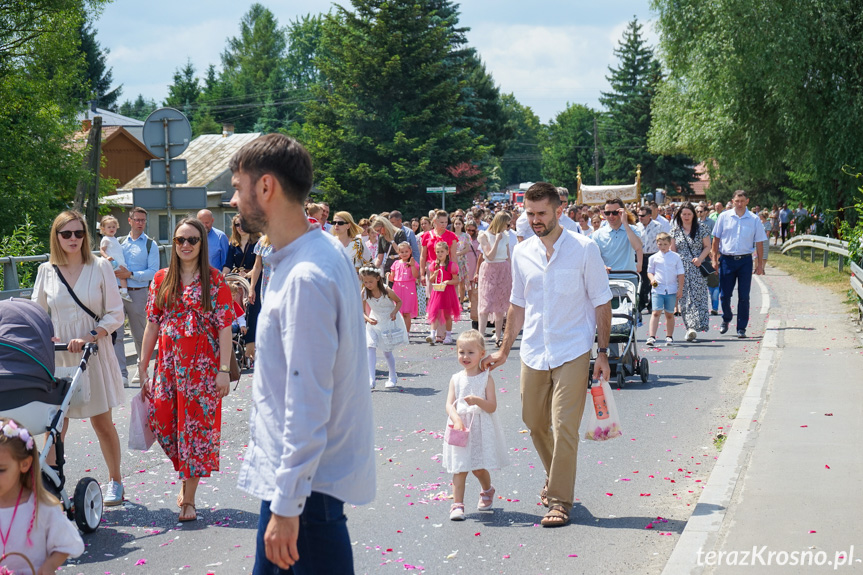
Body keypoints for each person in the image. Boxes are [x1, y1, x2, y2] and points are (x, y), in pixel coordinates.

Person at [229, 133, 375, 574]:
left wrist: (287, 505)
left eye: (238, 188)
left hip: (301, 496)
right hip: (303, 490)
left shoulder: (306, 276)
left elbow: (307, 398)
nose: (234, 201)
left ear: (266, 187)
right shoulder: (317, 252)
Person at [481, 182, 612, 528]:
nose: (535, 220)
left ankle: (559, 500)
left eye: (541, 213)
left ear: (559, 211)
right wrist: (504, 348)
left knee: (564, 425)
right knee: (534, 422)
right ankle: (558, 479)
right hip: (534, 349)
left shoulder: (584, 249)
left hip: (573, 348)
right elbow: (517, 306)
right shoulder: (522, 253)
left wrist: (602, 352)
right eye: (530, 214)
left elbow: (602, 301)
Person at [139, 217, 233, 522]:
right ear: (174, 244)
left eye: (193, 240)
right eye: (181, 240)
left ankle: (188, 499)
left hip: (203, 368)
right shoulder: (161, 279)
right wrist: (142, 368)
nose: (186, 245)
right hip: (167, 366)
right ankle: (186, 475)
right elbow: (152, 324)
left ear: (202, 244)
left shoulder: (214, 280)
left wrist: (223, 370)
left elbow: (225, 329)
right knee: (163, 422)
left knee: (194, 431)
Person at [31, 211, 126, 506]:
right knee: (56, 424)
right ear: (56, 237)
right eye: (67, 234)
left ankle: (115, 480)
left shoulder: (99, 267)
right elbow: (37, 313)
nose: (73, 239)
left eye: (79, 233)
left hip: (91, 352)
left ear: (86, 236)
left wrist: (90, 335)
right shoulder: (46, 270)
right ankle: (49, 482)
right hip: (59, 356)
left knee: (102, 422)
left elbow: (116, 312)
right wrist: (46, 337)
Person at [0, 418, 84, 573]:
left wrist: (49, 565)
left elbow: (69, 542)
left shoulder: (41, 506)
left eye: (1, 470)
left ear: (24, 464)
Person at [442, 331, 507, 521]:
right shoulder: (456, 378)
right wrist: (456, 419)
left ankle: (487, 490)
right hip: (459, 426)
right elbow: (449, 404)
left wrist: (478, 401)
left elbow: (492, 406)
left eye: (470, 352)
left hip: (479, 425)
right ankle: (457, 505)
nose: (465, 357)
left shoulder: (486, 378)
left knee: (478, 468)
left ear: (482, 354)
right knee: (460, 468)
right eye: (461, 352)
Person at [112, 207, 159, 387]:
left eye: (143, 220)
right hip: (117, 292)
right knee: (117, 333)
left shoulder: (150, 245)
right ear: (130, 221)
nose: (140, 223)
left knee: (140, 334)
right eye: (137, 220)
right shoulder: (119, 242)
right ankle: (120, 373)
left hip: (139, 293)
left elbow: (153, 272)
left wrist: (130, 274)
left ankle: (142, 369)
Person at [711, 190, 767, 339]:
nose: (740, 204)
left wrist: (760, 264)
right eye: (737, 201)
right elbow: (716, 239)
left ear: (747, 201)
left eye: (742, 201)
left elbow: (760, 242)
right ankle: (727, 317)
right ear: (733, 201)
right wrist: (714, 259)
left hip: (745, 261)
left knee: (744, 296)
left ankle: (741, 327)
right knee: (724, 294)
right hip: (727, 260)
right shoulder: (724, 217)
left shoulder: (754, 219)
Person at [671, 203, 712, 342]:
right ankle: (690, 327)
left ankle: (695, 325)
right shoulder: (675, 230)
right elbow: (673, 251)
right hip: (681, 268)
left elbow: (707, 246)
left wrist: (700, 258)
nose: (686, 217)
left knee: (697, 297)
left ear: (694, 215)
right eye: (684, 214)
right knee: (684, 297)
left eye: (689, 214)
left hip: (697, 267)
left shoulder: (702, 228)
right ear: (679, 215)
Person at [224, 215, 262, 362]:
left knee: (252, 312)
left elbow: (259, 266)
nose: (241, 228)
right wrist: (221, 278)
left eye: (244, 224)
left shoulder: (257, 243)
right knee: (236, 309)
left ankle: (250, 350)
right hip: (238, 281)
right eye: (238, 225)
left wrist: (247, 276)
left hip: (253, 280)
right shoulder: (233, 244)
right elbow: (227, 264)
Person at [361, 266, 406, 389]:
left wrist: (394, 313)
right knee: (370, 346)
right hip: (373, 322)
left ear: (377, 279)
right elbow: (361, 311)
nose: (368, 284)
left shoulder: (386, 290)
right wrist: (368, 319)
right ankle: (371, 379)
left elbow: (399, 302)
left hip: (387, 322)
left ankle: (392, 375)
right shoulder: (364, 292)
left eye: (370, 281)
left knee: (386, 352)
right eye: (365, 282)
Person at [477, 211, 513, 347]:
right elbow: (489, 256)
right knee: (485, 305)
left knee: (500, 306)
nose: (508, 226)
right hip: (489, 268)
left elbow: (508, 255)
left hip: (503, 269)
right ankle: (480, 337)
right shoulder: (484, 235)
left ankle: (498, 336)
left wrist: (511, 274)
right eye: (506, 223)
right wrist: (497, 241)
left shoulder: (506, 235)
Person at [646, 233, 685, 346]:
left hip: (671, 289)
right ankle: (652, 336)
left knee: (669, 313)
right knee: (656, 312)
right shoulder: (653, 258)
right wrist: (652, 279)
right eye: (660, 244)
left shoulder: (676, 257)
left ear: (670, 244)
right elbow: (650, 271)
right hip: (658, 289)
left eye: (665, 244)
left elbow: (680, 273)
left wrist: (680, 288)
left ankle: (669, 336)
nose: (662, 246)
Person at [591, 198, 643, 273]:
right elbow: (594, 257)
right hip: (607, 278)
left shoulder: (633, 230)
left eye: (615, 212)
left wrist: (625, 223)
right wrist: (602, 266)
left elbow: (638, 247)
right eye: (607, 213)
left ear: (622, 212)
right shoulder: (597, 234)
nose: (611, 216)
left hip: (628, 277)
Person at [426, 241, 461, 345]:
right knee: (434, 313)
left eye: (442, 251)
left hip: (447, 293)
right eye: (437, 252)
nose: (439, 254)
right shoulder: (434, 265)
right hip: (437, 292)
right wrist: (434, 274)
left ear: (447, 252)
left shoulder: (451, 265)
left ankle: (448, 335)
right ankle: (432, 334)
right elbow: (432, 280)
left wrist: (447, 282)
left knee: (447, 315)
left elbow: (456, 280)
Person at [420, 210, 459, 291]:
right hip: (431, 268)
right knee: (431, 296)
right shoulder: (426, 235)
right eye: (441, 222)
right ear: (435, 221)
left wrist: (455, 273)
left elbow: (453, 256)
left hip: (446, 268)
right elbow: (423, 256)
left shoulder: (452, 236)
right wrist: (422, 274)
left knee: (445, 295)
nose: (444, 224)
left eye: (446, 222)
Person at [98, 215, 132, 302]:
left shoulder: (114, 239)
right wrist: (107, 257)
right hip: (113, 262)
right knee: (119, 276)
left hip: (118, 261)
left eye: (114, 226)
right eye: (109, 227)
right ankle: (123, 292)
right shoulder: (106, 239)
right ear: (103, 229)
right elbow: (102, 250)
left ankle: (123, 291)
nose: (111, 229)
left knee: (122, 276)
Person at [388, 242, 419, 333]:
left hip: (409, 288)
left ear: (410, 251)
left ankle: (406, 333)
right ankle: (398, 332)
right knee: (397, 312)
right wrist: (388, 275)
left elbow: (415, 275)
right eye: (402, 252)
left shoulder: (412, 263)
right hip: (397, 288)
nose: (404, 253)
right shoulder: (396, 263)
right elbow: (392, 278)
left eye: (406, 251)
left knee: (406, 312)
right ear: (398, 253)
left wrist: (412, 266)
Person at [635, 206, 662, 315]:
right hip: (640, 256)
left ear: (649, 215)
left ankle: (652, 304)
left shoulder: (657, 226)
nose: (640, 218)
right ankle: (641, 303)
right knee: (641, 281)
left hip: (653, 255)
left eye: (642, 215)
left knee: (653, 281)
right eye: (639, 215)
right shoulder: (636, 227)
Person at [332, 211, 372, 275]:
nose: (336, 225)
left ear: (348, 225)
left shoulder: (358, 242)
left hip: (355, 282)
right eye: (334, 222)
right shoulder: (330, 242)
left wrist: (363, 275)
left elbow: (369, 262)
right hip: (336, 282)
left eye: (340, 223)